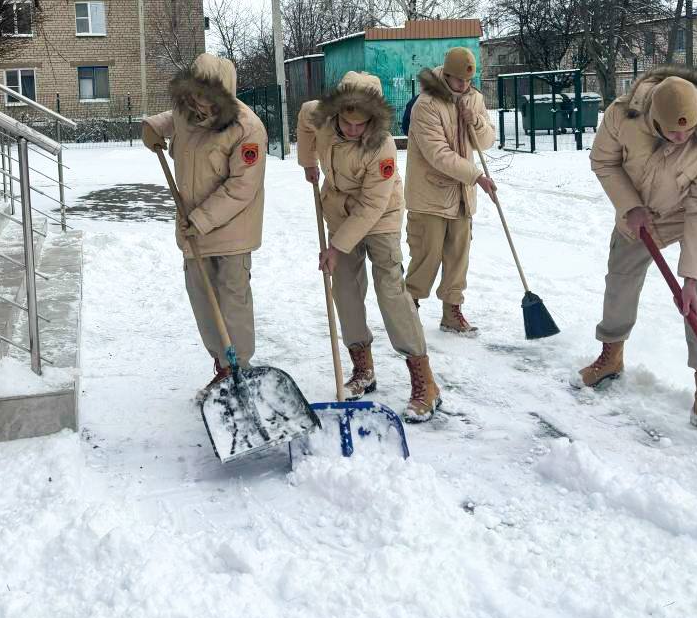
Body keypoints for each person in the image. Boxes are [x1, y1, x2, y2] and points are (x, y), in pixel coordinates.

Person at [581, 66, 697, 429]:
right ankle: (611, 355)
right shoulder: (623, 116)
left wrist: (691, 278)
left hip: (690, 215)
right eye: (672, 131)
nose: (682, 137)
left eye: (688, 130)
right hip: (639, 210)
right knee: (620, 280)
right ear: (653, 116)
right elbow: (603, 161)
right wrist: (630, 207)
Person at [298, 72, 440, 423]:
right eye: (345, 122)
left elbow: (371, 206)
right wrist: (308, 161)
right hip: (338, 209)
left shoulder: (383, 146)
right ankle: (363, 370)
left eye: (359, 124)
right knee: (344, 289)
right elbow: (303, 117)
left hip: (380, 215)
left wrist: (336, 247)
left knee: (390, 290)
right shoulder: (321, 115)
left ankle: (424, 381)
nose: (351, 130)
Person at [142, 52, 268, 400]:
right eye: (194, 94)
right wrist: (154, 127)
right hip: (192, 231)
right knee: (202, 301)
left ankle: (239, 372)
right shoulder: (186, 112)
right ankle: (223, 367)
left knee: (232, 303)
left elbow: (242, 188)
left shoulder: (247, 128)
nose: (198, 104)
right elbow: (171, 120)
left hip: (232, 231)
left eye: (206, 97)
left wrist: (200, 219)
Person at [404, 46, 497, 335]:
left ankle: (452, 311)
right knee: (426, 256)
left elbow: (486, 141)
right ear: (446, 75)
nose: (464, 85)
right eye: (459, 80)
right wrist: (476, 176)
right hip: (429, 195)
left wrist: (475, 122)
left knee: (459, 256)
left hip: (461, 196)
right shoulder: (426, 104)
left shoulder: (474, 99)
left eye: (468, 81)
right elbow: (438, 154)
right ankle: (408, 309)